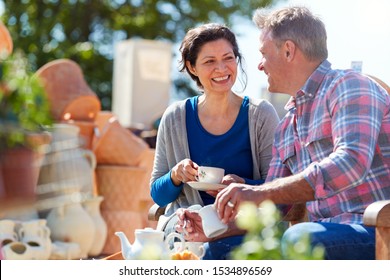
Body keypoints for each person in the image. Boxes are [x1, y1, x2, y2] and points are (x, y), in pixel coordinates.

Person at [178, 6, 390, 260]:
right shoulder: (288, 124)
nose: (258, 65)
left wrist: (259, 192)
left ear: (288, 51)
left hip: (377, 231)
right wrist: (217, 230)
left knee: (299, 238)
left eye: (264, 54)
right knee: (219, 250)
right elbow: (274, 206)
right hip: (322, 236)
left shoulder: (349, 85)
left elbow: (351, 162)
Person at [149, 23, 280, 259]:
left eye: (228, 58)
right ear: (192, 67)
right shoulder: (175, 117)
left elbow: (278, 190)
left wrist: (244, 185)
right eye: (209, 61)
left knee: (218, 251)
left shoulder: (261, 114)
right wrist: (176, 176)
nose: (221, 68)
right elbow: (158, 196)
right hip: (185, 222)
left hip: (242, 225)